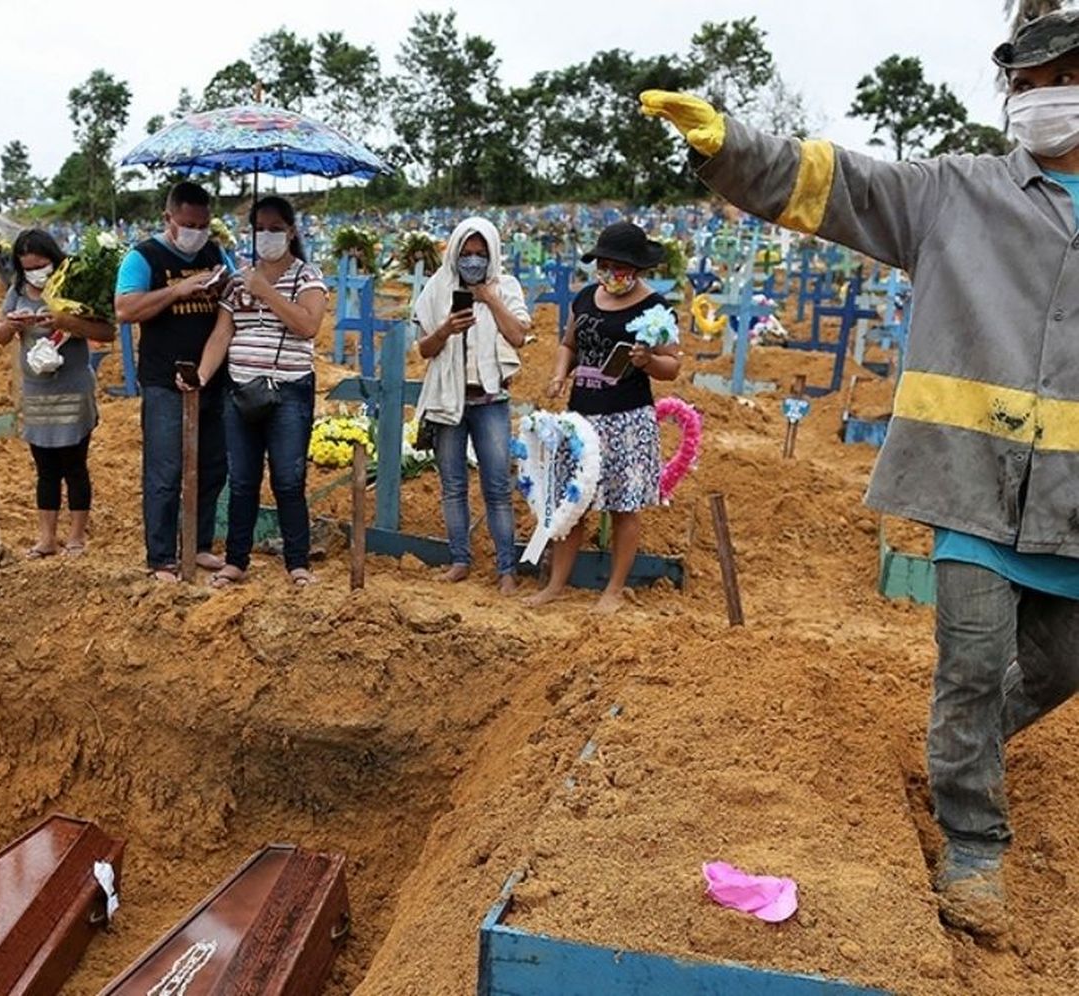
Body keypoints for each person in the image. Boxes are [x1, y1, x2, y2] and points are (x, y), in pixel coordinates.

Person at [641, 8, 1079, 938]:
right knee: (968, 663)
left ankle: (961, 755)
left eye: (1063, 81)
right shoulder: (961, 193)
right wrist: (729, 149)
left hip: (1075, 505)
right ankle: (973, 847)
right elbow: (836, 186)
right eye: (1028, 87)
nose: (1042, 102)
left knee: (1056, 666)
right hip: (970, 479)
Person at [525, 222, 682, 613]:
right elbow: (569, 344)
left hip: (627, 418)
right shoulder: (584, 298)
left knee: (624, 505)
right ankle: (556, 585)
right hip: (581, 418)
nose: (611, 273)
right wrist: (560, 375)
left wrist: (648, 361)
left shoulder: (655, 309)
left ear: (638, 269)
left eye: (620, 266)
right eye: (605, 265)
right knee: (573, 502)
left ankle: (613, 589)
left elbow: (673, 366)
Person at [188, 196, 327, 587]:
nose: (267, 236)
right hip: (242, 390)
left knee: (287, 478)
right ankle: (236, 561)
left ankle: (297, 563)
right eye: (260, 229)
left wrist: (265, 290)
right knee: (243, 479)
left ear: (291, 232)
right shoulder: (239, 281)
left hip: (289, 391)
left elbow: (307, 325)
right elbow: (221, 334)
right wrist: (201, 375)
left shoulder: (306, 277)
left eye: (275, 229)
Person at [114, 182, 231, 581]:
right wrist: (177, 289)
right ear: (169, 219)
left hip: (213, 377)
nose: (196, 231)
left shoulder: (215, 254)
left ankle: (197, 544)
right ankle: (161, 555)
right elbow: (126, 308)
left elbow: (231, 298)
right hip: (164, 379)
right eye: (188, 223)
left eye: (203, 224)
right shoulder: (144, 256)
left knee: (213, 466)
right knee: (164, 470)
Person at [413, 218, 531, 596]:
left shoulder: (506, 286)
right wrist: (446, 328)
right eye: (467, 253)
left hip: (490, 400)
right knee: (452, 486)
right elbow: (424, 350)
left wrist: (490, 298)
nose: (474, 260)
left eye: (481, 254)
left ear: (492, 253)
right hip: (450, 401)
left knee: (497, 486)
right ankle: (460, 559)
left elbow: (518, 336)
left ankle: (506, 568)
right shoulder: (438, 288)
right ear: (455, 254)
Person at [0, 228, 115, 559]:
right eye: (28, 266)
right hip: (37, 393)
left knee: (74, 465)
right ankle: (46, 538)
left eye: (42, 264)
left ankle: (76, 537)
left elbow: (106, 331)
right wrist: (12, 325)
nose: (36, 272)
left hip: (73, 389)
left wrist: (66, 321)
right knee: (45, 467)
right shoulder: (18, 291)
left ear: (54, 259)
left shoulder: (73, 285)